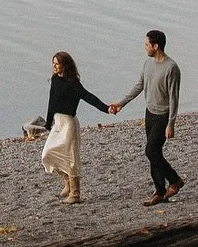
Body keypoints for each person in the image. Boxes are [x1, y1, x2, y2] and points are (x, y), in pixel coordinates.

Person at [109, 29, 183, 207]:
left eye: (147, 44)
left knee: (151, 151)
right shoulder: (148, 64)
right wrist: (121, 103)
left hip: (163, 116)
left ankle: (175, 181)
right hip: (149, 113)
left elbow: (174, 98)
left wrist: (171, 123)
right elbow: (140, 85)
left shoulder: (171, 68)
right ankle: (160, 191)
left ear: (156, 46)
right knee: (154, 153)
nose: (145, 47)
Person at [40, 51, 110, 204]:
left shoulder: (73, 84)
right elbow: (51, 102)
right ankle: (67, 181)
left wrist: (107, 108)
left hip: (69, 123)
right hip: (57, 122)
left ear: (65, 65)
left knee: (71, 157)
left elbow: (89, 97)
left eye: (57, 64)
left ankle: (75, 193)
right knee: (47, 154)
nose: (54, 66)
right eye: (53, 63)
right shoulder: (55, 80)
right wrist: (48, 122)